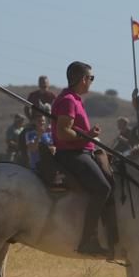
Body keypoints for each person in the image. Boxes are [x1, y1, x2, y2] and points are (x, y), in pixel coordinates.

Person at [53, 61, 115, 258]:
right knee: (103, 189)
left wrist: (89, 136)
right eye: (91, 78)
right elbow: (63, 133)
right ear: (83, 79)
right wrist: (86, 135)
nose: (91, 82)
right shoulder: (68, 101)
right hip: (73, 155)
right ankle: (88, 240)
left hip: (84, 151)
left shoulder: (75, 99)